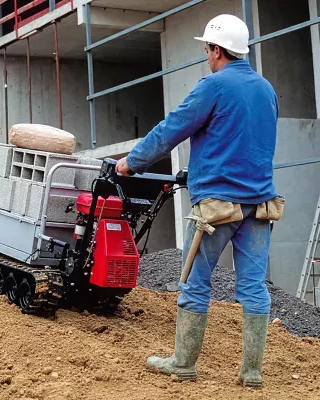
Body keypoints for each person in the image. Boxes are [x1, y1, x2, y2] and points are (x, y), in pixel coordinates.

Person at [116, 13, 281, 388]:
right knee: (253, 287)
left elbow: (173, 127)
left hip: (218, 207)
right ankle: (251, 373)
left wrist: (132, 162)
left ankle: (183, 363)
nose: (206, 56)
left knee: (196, 283)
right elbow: (250, 138)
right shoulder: (266, 89)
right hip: (260, 205)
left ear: (217, 50)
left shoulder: (213, 86)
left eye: (207, 49)